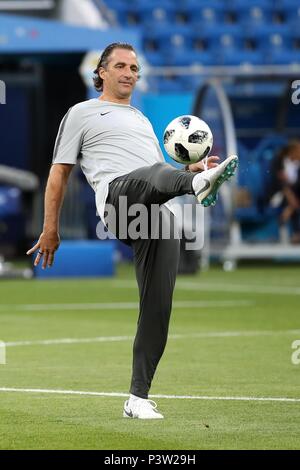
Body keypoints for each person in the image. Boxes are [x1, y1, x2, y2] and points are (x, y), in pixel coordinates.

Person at [26, 43, 238, 419]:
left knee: (158, 306)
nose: (129, 73)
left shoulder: (141, 120)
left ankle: (137, 398)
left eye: (135, 68)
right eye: (120, 66)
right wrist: (50, 229)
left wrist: (190, 171)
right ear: (102, 73)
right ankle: (201, 185)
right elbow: (58, 174)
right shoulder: (81, 113)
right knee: (154, 176)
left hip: (154, 213)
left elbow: (159, 175)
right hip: (119, 202)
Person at [269, 140, 300, 243]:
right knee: (288, 201)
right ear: (292, 151)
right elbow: (277, 182)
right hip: (278, 194)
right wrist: (291, 198)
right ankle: (289, 234)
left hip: (294, 197)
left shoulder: (298, 165)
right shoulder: (278, 161)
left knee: (292, 203)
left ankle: (294, 233)